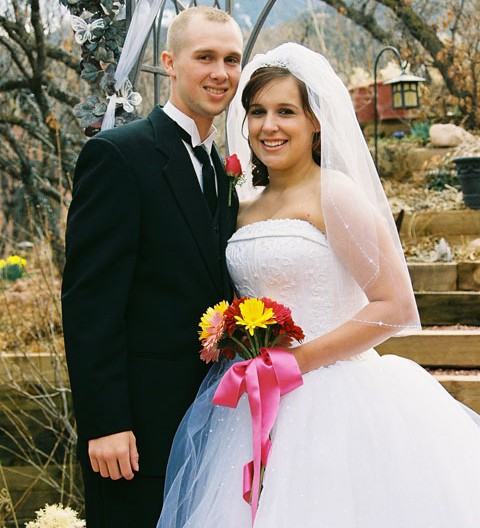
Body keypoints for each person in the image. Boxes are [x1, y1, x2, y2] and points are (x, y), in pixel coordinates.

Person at [157, 43, 480, 528]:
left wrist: (299, 360)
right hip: (252, 398)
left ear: (315, 122)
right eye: (258, 112)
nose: (270, 126)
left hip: (333, 396)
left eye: (287, 111)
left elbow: (394, 305)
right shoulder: (242, 204)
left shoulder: (336, 194)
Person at [61, 6, 243, 527]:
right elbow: (90, 301)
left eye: (230, 59)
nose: (220, 72)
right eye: (204, 57)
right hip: (134, 436)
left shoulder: (223, 165)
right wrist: (106, 422)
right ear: (169, 62)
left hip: (213, 425)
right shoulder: (117, 156)